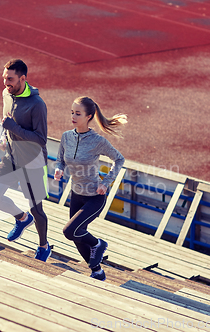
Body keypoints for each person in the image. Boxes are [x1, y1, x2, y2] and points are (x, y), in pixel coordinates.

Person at [54, 96, 127, 280]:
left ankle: (98, 243)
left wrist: (106, 182)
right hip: (76, 195)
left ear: (89, 116)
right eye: (72, 112)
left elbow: (119, 159)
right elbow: (60, 160)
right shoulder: (66, 137)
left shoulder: (97, 141)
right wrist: (58, 169)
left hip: (94, 197)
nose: (73, 116)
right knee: (76, 237)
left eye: (78, 113)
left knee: (69, 232)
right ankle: (97, 271)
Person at [0, 59, 51, 262]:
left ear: (23, 79)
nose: (6, 83)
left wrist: (13, 128)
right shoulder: (7, 93)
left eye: (11, 79)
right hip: (12, 156)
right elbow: (7, 120)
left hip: (32, 161)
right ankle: (22, 219)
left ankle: (43, 246)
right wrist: (3, 136)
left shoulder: (37, 105)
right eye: (4, 78)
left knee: (37, 208)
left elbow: (41, 139)